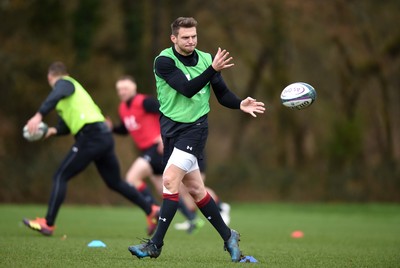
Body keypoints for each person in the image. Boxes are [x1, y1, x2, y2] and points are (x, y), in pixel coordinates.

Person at [128, 17, 265, 262]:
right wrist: (212, 69)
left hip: (195, 129)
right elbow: (187, 88)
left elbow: (222, 94)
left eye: (194, 36)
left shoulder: (205, 59)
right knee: (195, 189)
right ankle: (228, 235)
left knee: (169, 181)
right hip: (170, 130)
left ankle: (155, 245)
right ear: (174, 39)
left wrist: (239, 103)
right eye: (185, 37)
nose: (191, 41)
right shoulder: (164, 61)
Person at [22, 61, 159, 237]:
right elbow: (66, 125)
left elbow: (57, 93)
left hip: (92, 136)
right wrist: (52, 130)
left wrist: (38, 115)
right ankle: (151, 209)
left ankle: (48, 224)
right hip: (103, 137)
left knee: (60, 175)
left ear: (51, 77)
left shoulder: (65, 83)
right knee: (114, 182)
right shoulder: (66, 97)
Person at [109, 75, 229, 234]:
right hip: (147, 151)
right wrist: (112, 128)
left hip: (157, 148)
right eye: (119, 89)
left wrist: (162, 135)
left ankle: (153, 209)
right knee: (172, 188)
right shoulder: (123, 108)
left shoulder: (145, 101)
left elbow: (167, 111)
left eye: (125, 88)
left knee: (132, 177)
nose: (122, 92)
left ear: (134, 87)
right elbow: (126, 129)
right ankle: (191, 218)